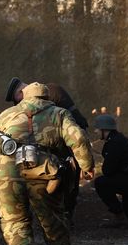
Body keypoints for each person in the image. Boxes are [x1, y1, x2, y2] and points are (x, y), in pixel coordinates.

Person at [0, 82, 95, 245]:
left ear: (24, 96)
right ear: (47, 97)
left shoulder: (6, 114)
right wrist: (87, 166)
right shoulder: (59, 114)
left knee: (14, 221)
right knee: (52, 221)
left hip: (7, 171)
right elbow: (78, 138)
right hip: (43, 172)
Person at [5, 77, 89, 223]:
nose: (19, 104)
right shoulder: (48, 90)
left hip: (70, 139)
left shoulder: (50, 92)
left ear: (21, 92)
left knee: (68, 177)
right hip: (63, 139)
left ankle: (66, 214)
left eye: (17, 99)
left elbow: (56, 124)